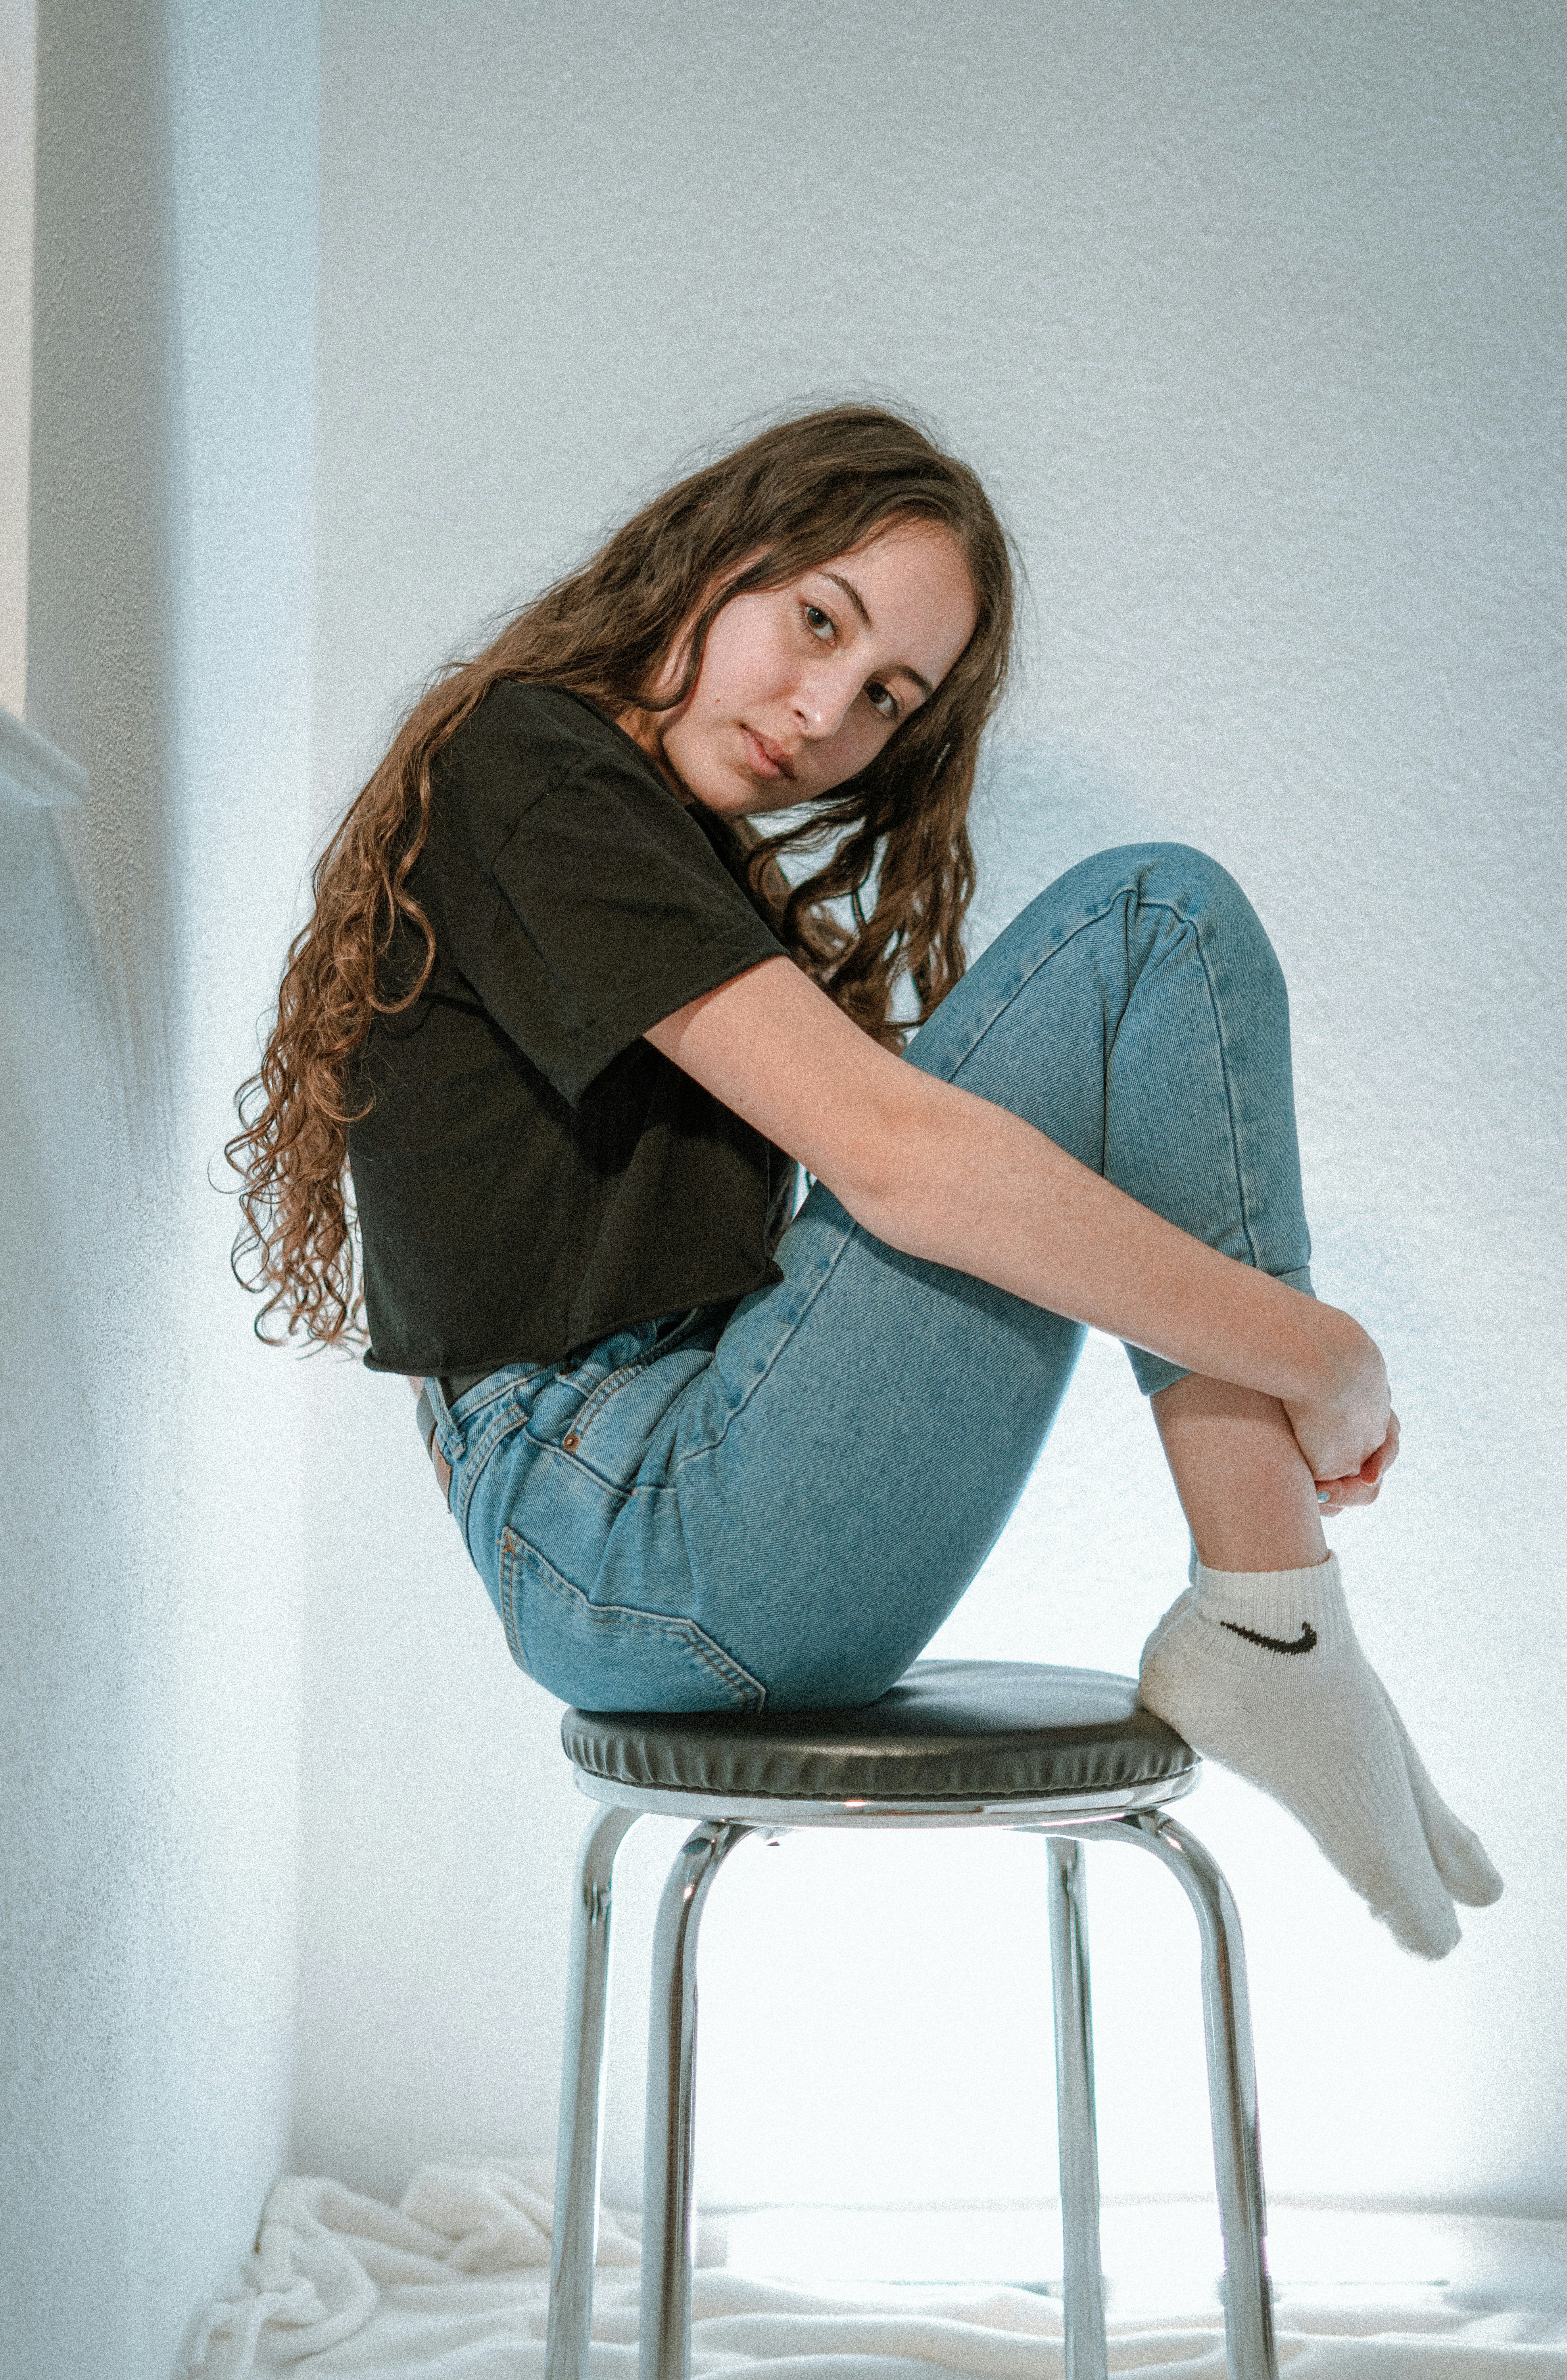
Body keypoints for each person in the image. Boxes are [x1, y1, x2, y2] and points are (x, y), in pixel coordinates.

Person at [231, 404, 1500, 1961]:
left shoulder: (667, 858)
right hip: (643, 1537)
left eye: (885, 694)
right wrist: (1323, 1359)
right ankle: (1274, 1621)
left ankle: (1272, 1626)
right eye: (814, 619)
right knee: (1154, 924)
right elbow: (899, 1168)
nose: (824, 708)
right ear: (707, 560)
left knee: (1097, 1033)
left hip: (652, 1540)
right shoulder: (537, 769)